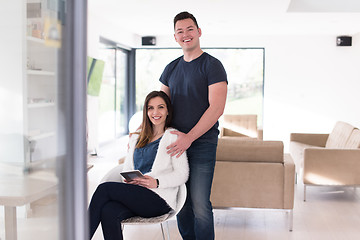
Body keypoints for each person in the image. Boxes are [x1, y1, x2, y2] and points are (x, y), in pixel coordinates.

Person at [159, 11, 228, 240]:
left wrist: (189, 137)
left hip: (203, 144)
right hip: (176, 146)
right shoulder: (170, 68)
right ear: (175, 37)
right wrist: (144, 133)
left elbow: (216, 108)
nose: (185, 34)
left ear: (198, 32)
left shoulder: (212, 66)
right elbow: (159, 108)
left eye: (190, 29)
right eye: (180, 31)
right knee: (182, 202)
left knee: (200, 204)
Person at [88, 91, 189, 240]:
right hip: (136, 195)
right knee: (109, 211)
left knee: (105, 189)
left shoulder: (173, 137)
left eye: (160, 107)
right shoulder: (136, 138)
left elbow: (182, 174)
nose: (155, 112)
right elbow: (127, 169)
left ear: (167, 111)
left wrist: (156, 182)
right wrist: (129, 179)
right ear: (146, 112)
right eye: (150, 108)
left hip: (159, 199)